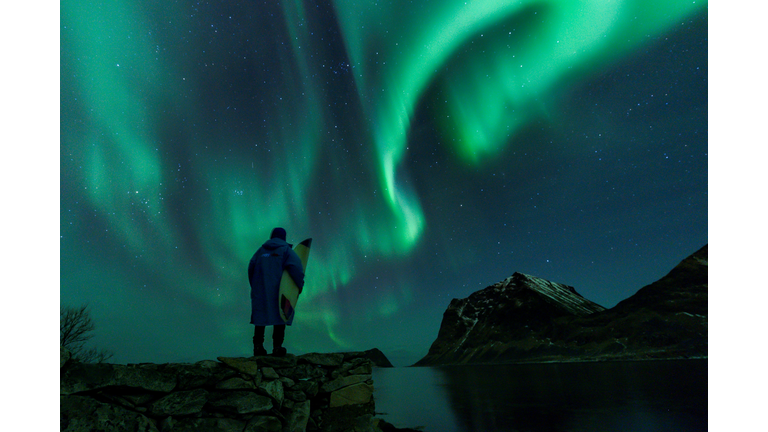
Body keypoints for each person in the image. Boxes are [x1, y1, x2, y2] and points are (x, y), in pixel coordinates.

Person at [248, 227, 305, 357]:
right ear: (284, 237)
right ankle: (277, 347)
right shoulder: (286, 250)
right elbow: (296, 268)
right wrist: (299, 285)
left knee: (260, 319)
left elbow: (251, 267)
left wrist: (255, 286)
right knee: (281, 316)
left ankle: (258, 347)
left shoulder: (260, 251)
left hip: (261, 291)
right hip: (278, 291)